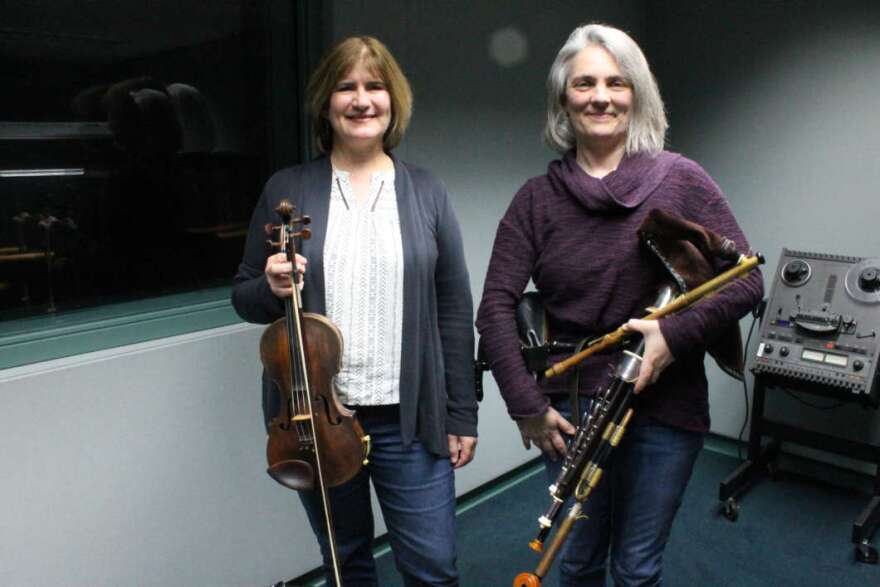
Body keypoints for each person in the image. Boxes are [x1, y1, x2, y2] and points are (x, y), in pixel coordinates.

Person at [476, 23, 763, 587]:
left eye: (616, 82)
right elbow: (494, 306)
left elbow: (746, 282)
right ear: (564, 97)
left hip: (667, 408)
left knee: (636, 568)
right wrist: (525, 404)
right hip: (571, 411)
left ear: (637, 93)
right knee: (579, 562)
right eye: (584, 83)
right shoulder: (536, 200)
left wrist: (672, 337)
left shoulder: (680, 179)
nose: (601, 96)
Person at [231, 36, 478, 586]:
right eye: (347, 87)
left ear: (394, 101)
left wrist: (462, 412)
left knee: (434, 568)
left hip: (409, 418)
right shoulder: (286, 188)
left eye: (375, 86)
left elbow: (454, 313)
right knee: (346, 562)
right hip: (315, 419)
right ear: (326, 103)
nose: (362, 100)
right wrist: (271, 285)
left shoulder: (427, 192)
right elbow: (243, 295)